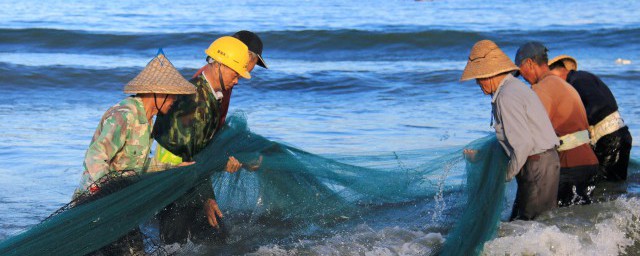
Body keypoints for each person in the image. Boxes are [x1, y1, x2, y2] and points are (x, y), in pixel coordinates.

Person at [73, 51, 196, 255]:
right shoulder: (124, 115)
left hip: (120, 205)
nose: (175, 99)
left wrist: (173, 169)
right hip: (96, 206)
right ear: (157, 92)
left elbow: (138, 166)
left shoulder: (147, 121)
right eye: (173, 94)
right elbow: (95, 157)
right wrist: (105, 196)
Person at [151, 32, 267, 245]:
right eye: (236, 74)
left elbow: (203, 145)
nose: (238, 80)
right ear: (220, 65)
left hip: (188, 178)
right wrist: (206, 197)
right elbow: (189, 155)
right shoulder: (195, 100)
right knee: (175, 244)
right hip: (173, 180)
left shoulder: (213, 94)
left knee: (206, 240)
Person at [461, 40, 560, 220]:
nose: (477, 84)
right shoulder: (513, 88)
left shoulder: (506, 96)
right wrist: (482, 156)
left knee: (531, 226)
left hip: (537, 165)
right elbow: (514, 139)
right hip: (542, 163)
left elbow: (523, 144)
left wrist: (505, 176)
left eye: (478, 78)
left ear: (489, 75)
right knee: (529, 223)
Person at [514, 42, 599, 206]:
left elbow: (532, 131)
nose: (523, 78)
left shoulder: (541, 89)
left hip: (571, 165)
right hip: (589, 162)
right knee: (579, 222)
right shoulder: (564, 85)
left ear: (530, 64)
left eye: (521, 71)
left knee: (555, 221)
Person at [548, 55, 632, 181]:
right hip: (618, 135)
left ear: (557, 73)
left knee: (604, 186)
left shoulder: (577, 82)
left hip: (610, 139)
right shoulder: (583, 77)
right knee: (615, 185)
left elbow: (597, 106)